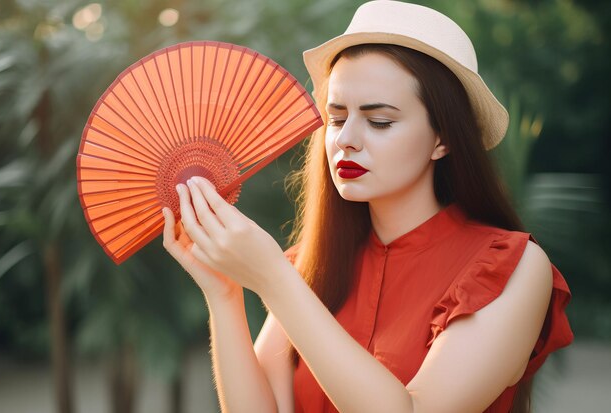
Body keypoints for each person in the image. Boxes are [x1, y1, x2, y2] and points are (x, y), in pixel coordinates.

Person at [162, 1, 573, 412]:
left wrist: (273, 279)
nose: (346, 139)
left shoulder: (510, 267)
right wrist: (225, 295)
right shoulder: (308, 268)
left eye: (379, 122)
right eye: (337, 118)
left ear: (442, 139)